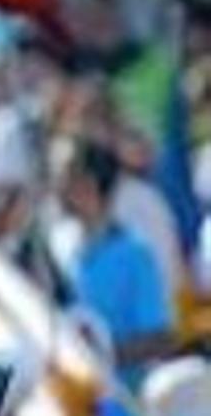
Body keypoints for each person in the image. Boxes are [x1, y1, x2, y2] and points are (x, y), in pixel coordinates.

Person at [51, 139, 176, 388]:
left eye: (65, 178)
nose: (58, 188)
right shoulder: (61, 246)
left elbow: (161, 338)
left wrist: (101, 355)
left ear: (90, 184)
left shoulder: (134, 252)